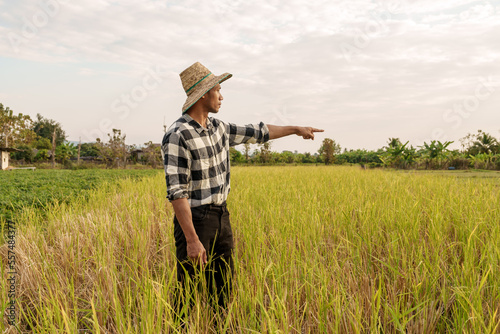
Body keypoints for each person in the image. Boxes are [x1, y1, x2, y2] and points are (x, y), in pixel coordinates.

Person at [161, 62, 323, 323]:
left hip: (221, 217)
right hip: (195, 221)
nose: (222, 97)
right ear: (204, 94)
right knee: (187, 293)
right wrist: (191, 240)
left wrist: (296, 129)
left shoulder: (219, 128)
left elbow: (259, 132)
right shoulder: (178, 134)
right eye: (218, 90)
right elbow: (177, 192)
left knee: (222, 290)